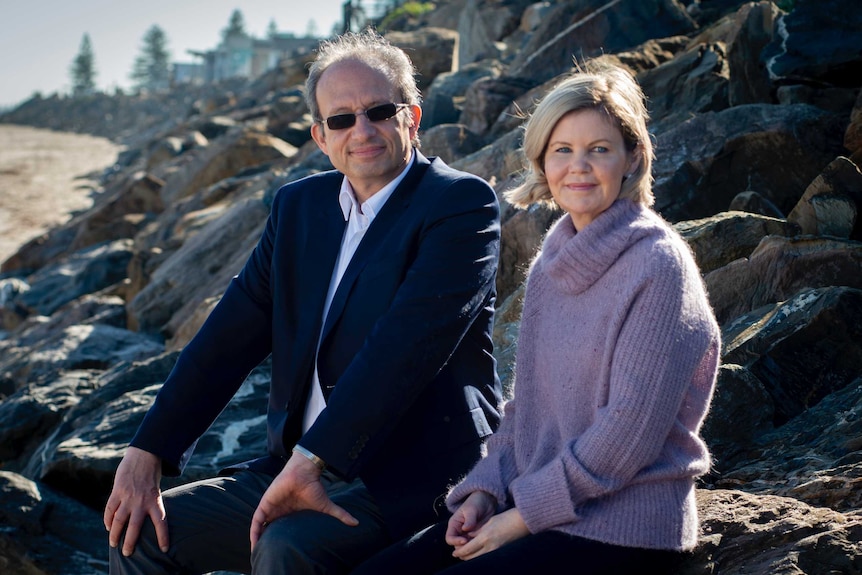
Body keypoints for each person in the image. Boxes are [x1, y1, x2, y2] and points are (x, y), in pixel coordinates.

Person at [104, 29, 503, 575]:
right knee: (145, 532)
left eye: (379, 111)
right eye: (341, 119)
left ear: (412, 117)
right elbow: (227, 336)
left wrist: (315, 458)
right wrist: (148, 448)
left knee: (287, 546)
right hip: (292, 465)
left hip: (410, 478)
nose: (361, 130)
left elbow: (405, 347)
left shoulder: (459, 204)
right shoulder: (299, 208)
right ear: (320, 137)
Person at [351, 61, 722, 575]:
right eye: (562, 150)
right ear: (542, 163)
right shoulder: (554, 259)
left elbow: (627, 435)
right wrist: (486, 491)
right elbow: (529, 409)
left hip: (627, 532)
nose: (579, 167)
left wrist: (522, 515)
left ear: (632, 158)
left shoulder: (659, 266)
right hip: (545, 510)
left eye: (599, 149)